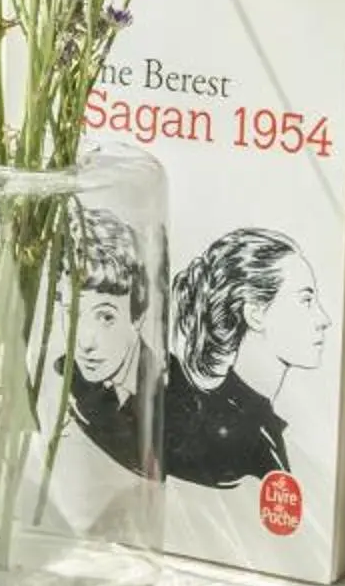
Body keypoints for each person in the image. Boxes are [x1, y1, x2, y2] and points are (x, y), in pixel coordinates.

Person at [164, 227, 330, 489]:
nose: (324, 320)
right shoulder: (253, 438)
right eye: (306, 300)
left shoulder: (254, 423)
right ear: (255, 314)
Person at [63, 204, 161, 477]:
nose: (85, 342)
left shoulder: (165, 391)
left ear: (138, 314)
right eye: (71, 313)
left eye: (105, 317)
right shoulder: (61, 381)